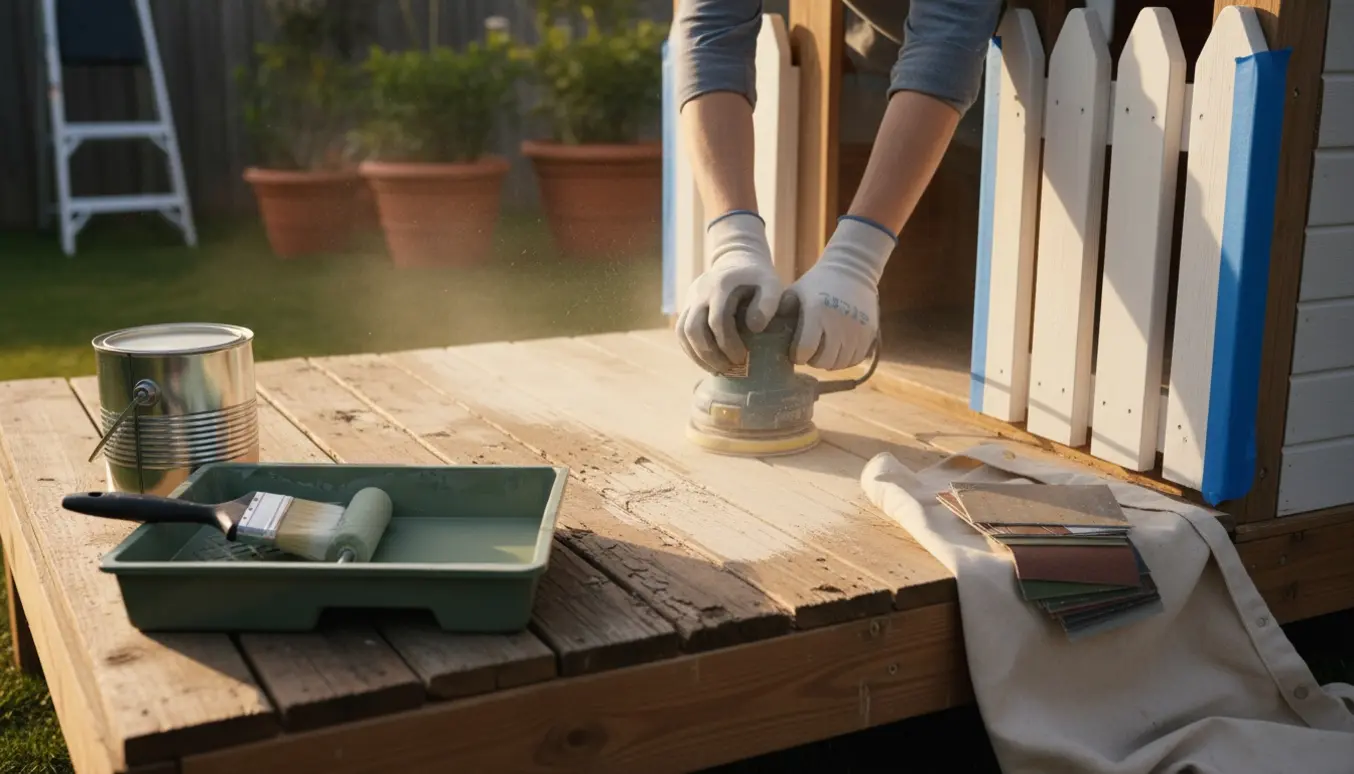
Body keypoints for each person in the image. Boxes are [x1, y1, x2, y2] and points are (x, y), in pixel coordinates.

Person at [670, 0, 1005, 375]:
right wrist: (733, 240)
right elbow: (711, 32)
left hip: (1034, 77)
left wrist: (857, 257)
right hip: (891, 48)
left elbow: (948, 34)